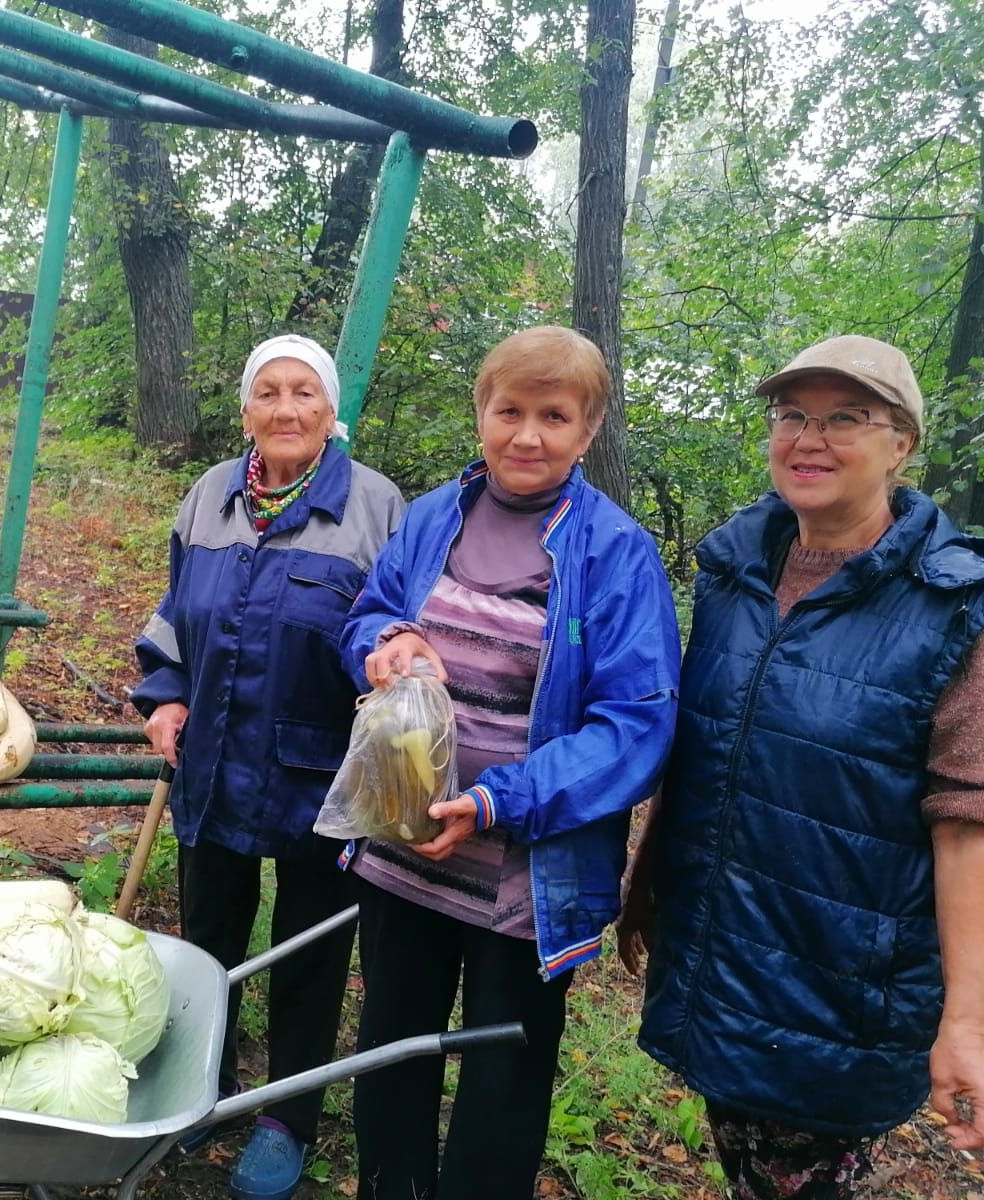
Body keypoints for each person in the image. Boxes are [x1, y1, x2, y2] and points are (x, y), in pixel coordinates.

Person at [620, 334, 984, 1198]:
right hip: (724, 952)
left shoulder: (958, 610)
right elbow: (706, 751)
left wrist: (964, 1026)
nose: (810, 438)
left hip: (838, 983)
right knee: (748, 1158)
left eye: (847, 418)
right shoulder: (733, 572)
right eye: (792, 414)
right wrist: (646, 887)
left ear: (902, 442)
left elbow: (975, 821)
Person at [338, 326, 681, 1200]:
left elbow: (636, 724)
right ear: (481, 413)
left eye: (554, 416)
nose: (528, 435)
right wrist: (384, 639)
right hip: (405, 845)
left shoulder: (616, 553)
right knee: (391, 1045)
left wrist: (500, 801)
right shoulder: (430, 518)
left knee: (504, 1073)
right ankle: (391, 1186)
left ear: (589, 429)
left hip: (529, 877)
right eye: (510, 411)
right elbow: (366, 613)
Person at [132, 333, 405, 1200]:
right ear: (247, 408)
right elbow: (176, 609)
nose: (286, 410)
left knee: (309, 952)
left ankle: (287, 1116)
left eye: (305, 394)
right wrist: (167, 696)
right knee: (208, 937)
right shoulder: (210, 494)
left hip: (320, 774)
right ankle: (199, 1089)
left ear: (332, 411)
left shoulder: (374, 506)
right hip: (211, 755)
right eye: (268, 393)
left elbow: (396, 625)